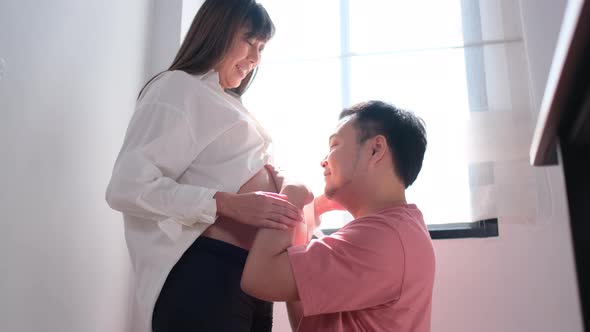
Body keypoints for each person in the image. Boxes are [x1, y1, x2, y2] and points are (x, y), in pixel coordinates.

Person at [105, 1, 310, 331]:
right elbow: (127, 187)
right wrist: (228, 204)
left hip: (252, 276)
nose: (256, 59)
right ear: (218, 30)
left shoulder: (232, 103)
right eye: (250, 41)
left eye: (261, 48)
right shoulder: (177, 88)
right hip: (206, 271)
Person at [241, 100, 435, 332]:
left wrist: (292, 193)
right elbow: (305, 308)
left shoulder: (382, 239)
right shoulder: (400, 230)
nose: (324, 160)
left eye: (334, 145)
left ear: (375, 149)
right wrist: (309, 212)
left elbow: (259, 278)